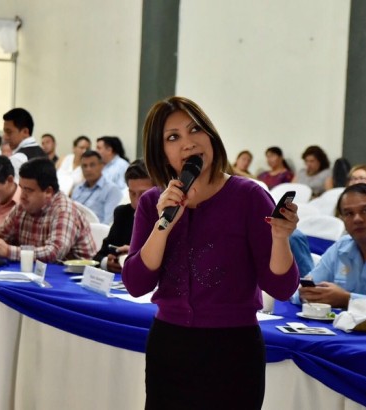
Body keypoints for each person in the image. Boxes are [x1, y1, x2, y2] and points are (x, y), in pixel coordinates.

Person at [121, 96, 299, 409]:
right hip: (169, 347)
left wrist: (281, 238)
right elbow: (136, 284)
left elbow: (282, 288)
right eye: (173, 137)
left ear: (211, 135)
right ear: (161, 152)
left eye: (195, 130)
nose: (188, 143)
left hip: (233, 351)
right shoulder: (153, 202)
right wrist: (164, 225)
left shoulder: (248, 196)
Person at [0, 157, 96, 263]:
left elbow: (54, 253)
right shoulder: (22, 207)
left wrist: (9, 251)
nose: (22, 196)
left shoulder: (64, 210)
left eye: (28, 190)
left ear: (48, 192)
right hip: (35, 272)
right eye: (21, 188)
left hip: (73, 275)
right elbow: (1, 238)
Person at [298, 184, 366, 307]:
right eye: (349, 213)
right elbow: (305, 290)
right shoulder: (340, 248)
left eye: (365, 211)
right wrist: (307, 294)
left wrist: (348, 300)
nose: (357, 219)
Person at [93, 159, 154, 272]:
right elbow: (99, 256)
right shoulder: (123, 214)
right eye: (132, 193)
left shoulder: (169, 217)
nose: (137, 201)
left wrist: (136, 254)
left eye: (143, 194)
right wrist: (107, 262)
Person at [71, 150, 122, 224]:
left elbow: (109, 223)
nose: (88, 169)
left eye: (92, 165)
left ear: (101, 166)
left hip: (97, 229)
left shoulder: (112, 190)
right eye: (84, 166)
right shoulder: (77, 189)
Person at [2, 108, 46, 178]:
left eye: (9, 132)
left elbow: (14, 185)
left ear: (25, 132)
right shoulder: (42, 153)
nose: (5, 137)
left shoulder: (18, 159)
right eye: (5, 132)